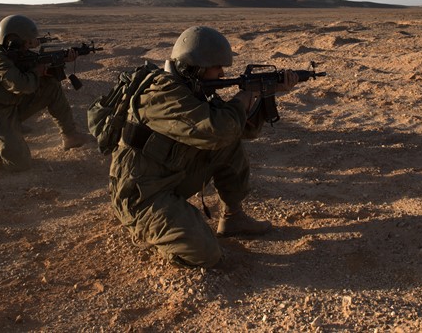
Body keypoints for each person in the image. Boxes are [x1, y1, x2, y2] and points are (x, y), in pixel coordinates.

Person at [108, 25, 298, 268]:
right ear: (195, 67)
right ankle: (155, 230)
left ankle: (233, 218)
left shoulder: (194, 90)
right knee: (207, 255)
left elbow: (242, 130)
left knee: (229, 146)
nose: (221, 74)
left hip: (172, 175)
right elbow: (216, 131)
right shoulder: (161, 93)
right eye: (216, 67)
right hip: (143, 194)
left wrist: (264, 94)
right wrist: (241, 99)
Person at [0, 14, 91, 171]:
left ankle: (70, 135)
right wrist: (36, 72)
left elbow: (35, 62)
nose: (28, 46)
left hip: (10, 105)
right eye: (26, 42)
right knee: (19, 163)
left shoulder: (17, 54)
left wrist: (61, 60)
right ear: (13, 40)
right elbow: (19, 84)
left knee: (51, 85)